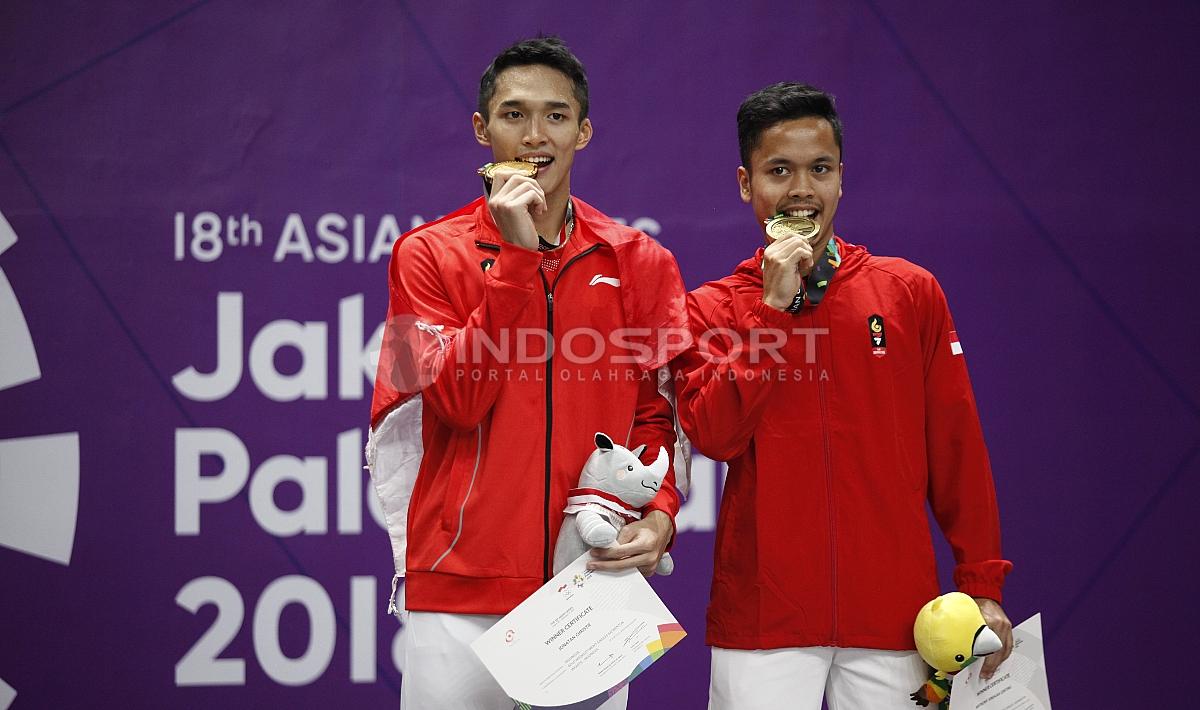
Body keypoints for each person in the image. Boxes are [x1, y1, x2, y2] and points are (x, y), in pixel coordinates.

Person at [367, 37, 691, 709]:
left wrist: (659, 514)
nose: (535, 135)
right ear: (481, 128)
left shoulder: (642, 260)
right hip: (459, 587)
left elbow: (655, 418)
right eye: (514, 114)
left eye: (556, 116)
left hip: (590, 584)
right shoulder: (419, 255)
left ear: (583, 132)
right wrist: (516, 263)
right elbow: (454, 403)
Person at [673, 82, 1014, 709]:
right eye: (779, 170)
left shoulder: (909, 292)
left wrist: (982, 584)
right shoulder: (712, 308)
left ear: (840, 179)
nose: (802, 189)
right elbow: (716, 437)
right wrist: (772, 311)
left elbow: (957, 448)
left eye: (820, 169)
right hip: (763, 621)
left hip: (898, 617)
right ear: (747, 183)